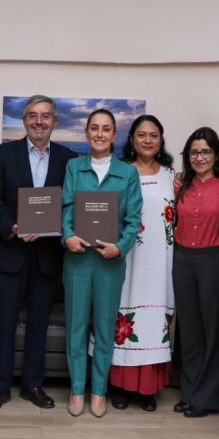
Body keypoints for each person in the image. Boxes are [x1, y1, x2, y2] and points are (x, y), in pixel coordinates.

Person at [0, 94, 77, 412]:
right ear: (24, 121)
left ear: (55, 122)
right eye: (33, 116)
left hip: (48, 255)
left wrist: (64, 227)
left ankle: (33, 386)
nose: (39, 121)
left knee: (39, 323)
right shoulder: (3, 153)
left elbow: (71, 204)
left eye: (45, 116)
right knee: (5, 323)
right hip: (11, 250)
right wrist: (14, 226)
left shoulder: (69, 158)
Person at [61, 108, 143, 418]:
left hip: (109, 262)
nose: (99, 133)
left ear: (114, 134)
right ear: (86, 132)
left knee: (105, 328)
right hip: (77, 259)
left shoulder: (127, 173)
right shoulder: (74, 167)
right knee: (76, 327)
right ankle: (77, 389)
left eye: (105, 129)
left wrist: (120, 247)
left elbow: (134, 220)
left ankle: (99, 391)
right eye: (94, 128)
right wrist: (67, 236)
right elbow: (65, 208)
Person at [108, 114, 175, 412]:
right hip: (126, 256)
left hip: (161, 262)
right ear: (132, 140)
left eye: (154, 135)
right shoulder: (120, 172)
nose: (147, 140)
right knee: (121, 316)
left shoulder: (172, 176)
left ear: (160, 140)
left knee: (152, 321)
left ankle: (148, 389)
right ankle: (119, 386)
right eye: (141, 135)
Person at [173, 127, 219, 419]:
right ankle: (190, 392)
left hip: (215, 260)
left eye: (205, 151)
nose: (199, 157)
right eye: (194, 152)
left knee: (213, 330)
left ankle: (208, 397)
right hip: (182, 259)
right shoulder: (180, 185)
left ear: (216, 155)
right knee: (190, 330)